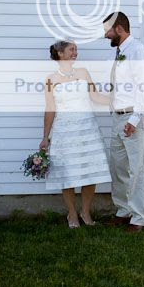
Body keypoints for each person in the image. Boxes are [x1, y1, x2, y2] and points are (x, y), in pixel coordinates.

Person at [40, 40, 112, 228]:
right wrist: (45, 137)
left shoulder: (83, 72)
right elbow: (50, 108)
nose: (75, 52)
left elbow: (95, 96)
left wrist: (118, 99)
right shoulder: (50, 79)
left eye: (76, 50)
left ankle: (85, 212)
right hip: (64, 131)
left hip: (87, 129)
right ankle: (71, 214)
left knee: (90, 171)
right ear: (60, 53)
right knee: (67, 173)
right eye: (72, 49)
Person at [103, 12, 144, 233]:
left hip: (135, 118)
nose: (105, 35)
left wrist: (134, 119)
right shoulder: (118, 53)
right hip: (118, 117)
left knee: (138, 169)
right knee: (119, 168)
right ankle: (124, 211)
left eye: (107, 30)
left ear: (119, 29)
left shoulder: (138, 52)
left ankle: (140, 218)